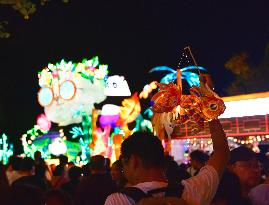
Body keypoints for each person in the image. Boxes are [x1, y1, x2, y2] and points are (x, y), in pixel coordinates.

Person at [105, 119, 230, 205]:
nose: (124, 170)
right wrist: (209, 103)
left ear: (134, 161)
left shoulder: (118, 200)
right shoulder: (192, 190)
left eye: (124, 164)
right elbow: (222, 151)